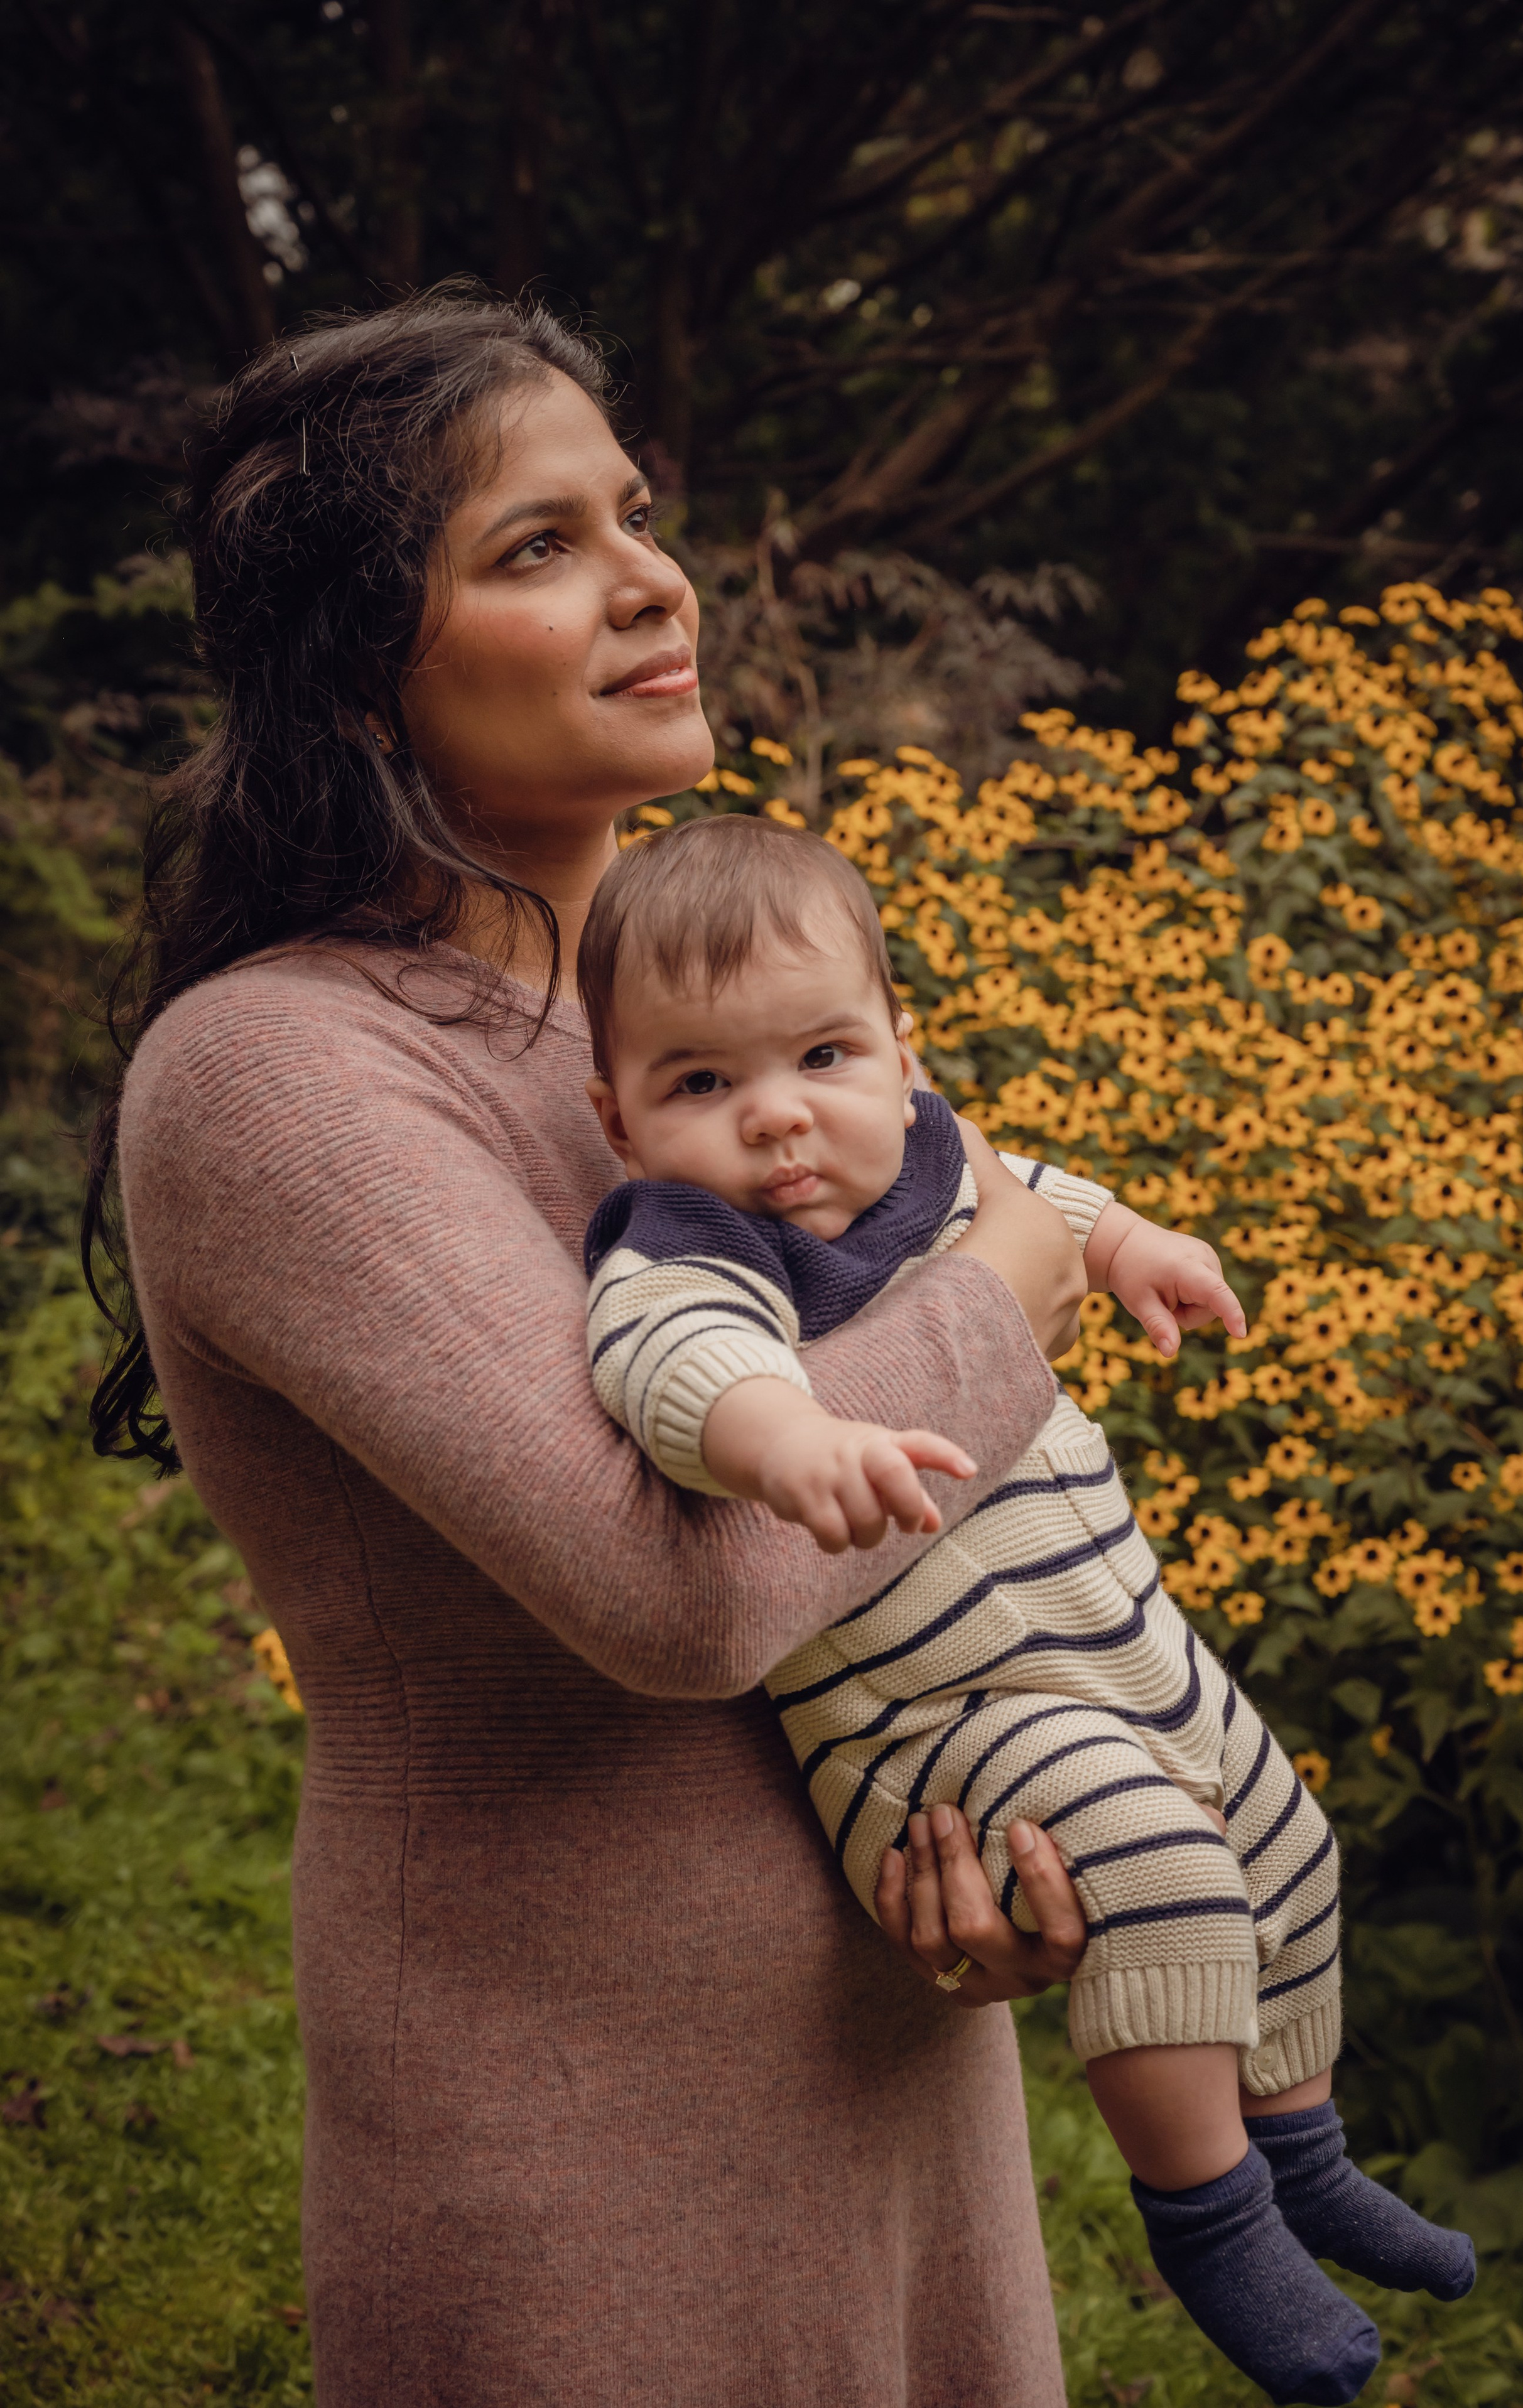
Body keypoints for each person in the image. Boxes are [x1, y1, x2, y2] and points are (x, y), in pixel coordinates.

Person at [83, 285, 1121, 2408]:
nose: (654, 577)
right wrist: (1016, 1280)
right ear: (365, 677)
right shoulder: (281, 1073)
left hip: (891, 2006)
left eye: (632, 512)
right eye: (535, 544)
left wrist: (1023, 1828)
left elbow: (915, 1530)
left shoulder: (700, 1024)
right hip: (565, 2091)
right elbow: (684, 1584)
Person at [577, 814, 1478, 2407]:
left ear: (898, 1047)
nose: (779, 1118)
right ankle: (1206, 2218)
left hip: (1113, 1637)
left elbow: (1043, 1202)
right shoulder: (692, 1244)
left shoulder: (926, 1152)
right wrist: (788, 1435)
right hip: (935, 1731)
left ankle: (1303, 2147)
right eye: (699, 1085)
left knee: (1285, 1840)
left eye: (823, 1055)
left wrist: (1130, 1243)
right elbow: (665, 1365)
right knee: (1158, 1864)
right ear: (617, 1115)